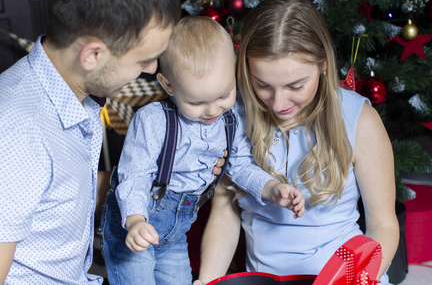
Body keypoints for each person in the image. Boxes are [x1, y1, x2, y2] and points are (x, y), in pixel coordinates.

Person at [194, 0, 399, 285]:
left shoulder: (359, 119)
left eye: (296, 86)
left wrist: (354, 280)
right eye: (262, 85)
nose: (278, 104)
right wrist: (208, 281)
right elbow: (225, 215)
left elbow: (383, 225)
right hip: (265, 279)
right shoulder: (233, 118)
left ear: (323, 65)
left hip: (347, 278)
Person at [99, 16, 305, 285]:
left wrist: (271, 188)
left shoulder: (233, 116)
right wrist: (136, 221)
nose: (212, 110)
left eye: (223, 95)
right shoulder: (153, 120)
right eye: (196, 101)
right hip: (136, 223)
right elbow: (135, 175)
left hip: (177, 231)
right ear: (168, 85)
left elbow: (241, 166)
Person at [0, 0, 181, 284]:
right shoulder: (17, 130)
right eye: (143, 60)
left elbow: (62, 192)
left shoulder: (71, 92)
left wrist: (161, 177)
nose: (151, 70)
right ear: (93, 54)